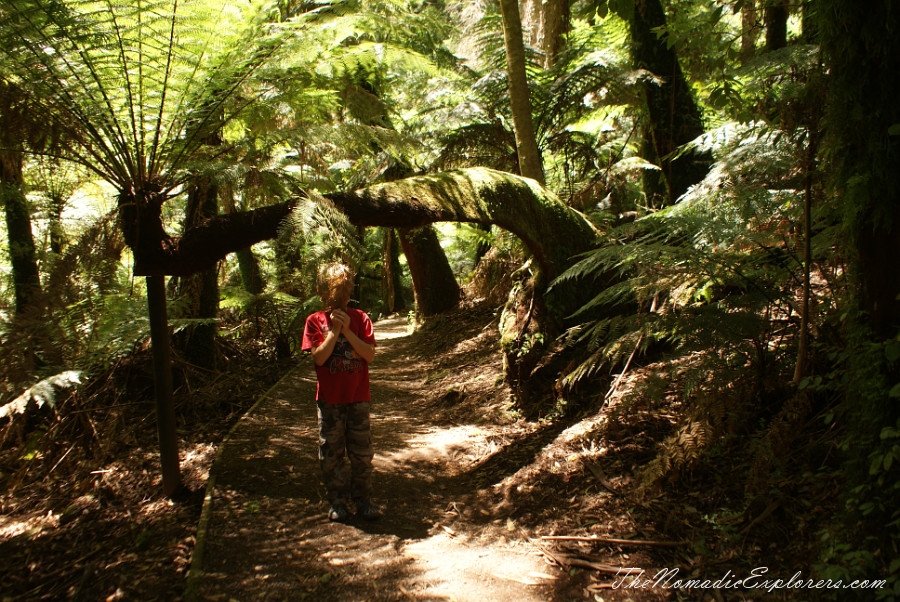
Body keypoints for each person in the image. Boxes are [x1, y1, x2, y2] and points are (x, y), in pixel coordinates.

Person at [301, 262, 380, 522]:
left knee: (361, 453)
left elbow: (368, 355)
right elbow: (320, 359)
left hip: (358, 398)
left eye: (344, 288)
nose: (339, 294)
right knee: (332, 453)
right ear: (322, 290)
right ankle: (337, 502)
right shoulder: (314, 321)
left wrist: (347, 329)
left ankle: (363, 500)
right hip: (329, 400)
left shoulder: (361, 318)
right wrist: (334, 331)